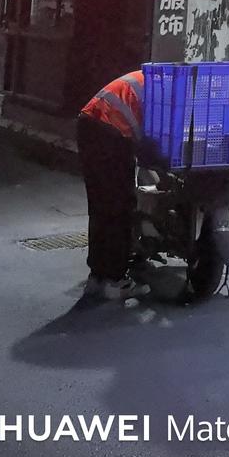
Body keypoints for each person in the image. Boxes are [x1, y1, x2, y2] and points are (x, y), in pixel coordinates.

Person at [76, 68, 152, 301]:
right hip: (111, 132)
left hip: (88, 123)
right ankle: (116, 281)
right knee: (120, 207)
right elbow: (157, 137)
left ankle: (97, 277)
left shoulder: (150, 78)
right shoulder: (167, 90)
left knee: (101, 205)